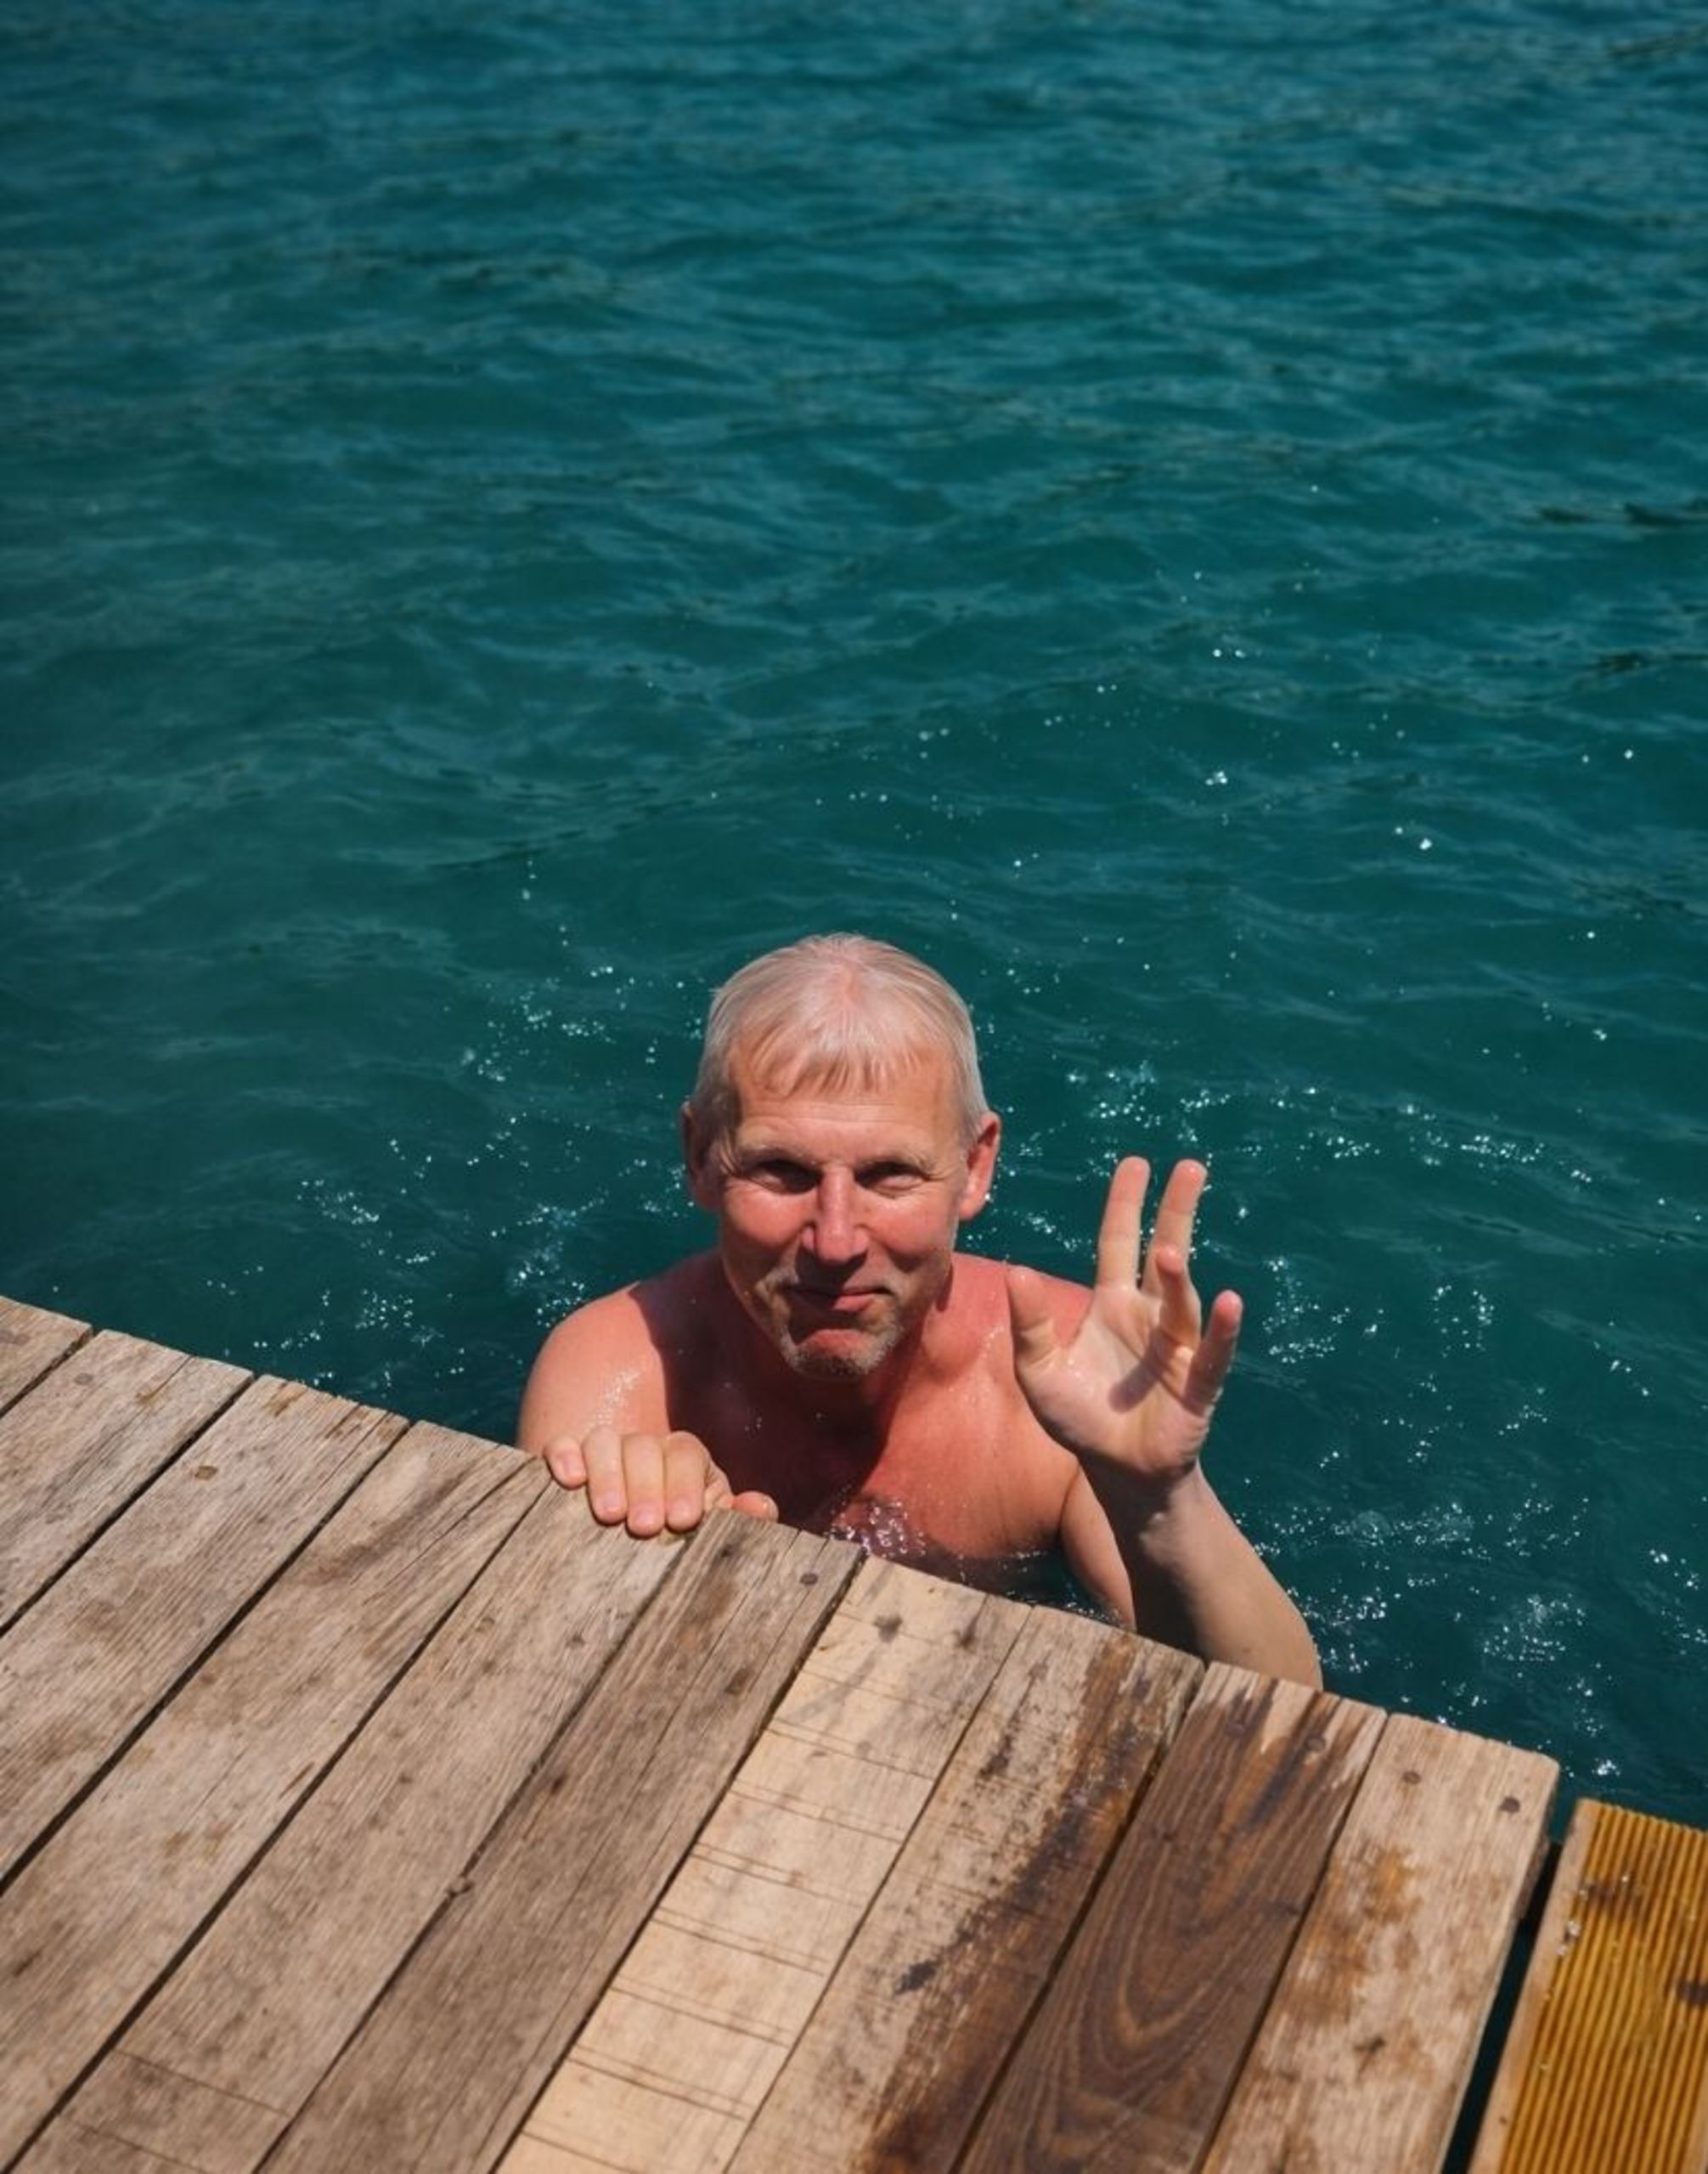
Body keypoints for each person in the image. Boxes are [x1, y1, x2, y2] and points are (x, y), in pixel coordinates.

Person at [519, 933, 1319, 1685]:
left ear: (975, 1167)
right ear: (700, 1159)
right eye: (782, 1170)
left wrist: (1159, 1498)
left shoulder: (1063, 1382)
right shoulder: (618, 1370)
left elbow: (1283, 1710)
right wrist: (631, 1538)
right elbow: (533, 1664)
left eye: (889, 1175)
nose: (835, 1240)